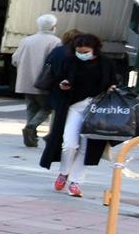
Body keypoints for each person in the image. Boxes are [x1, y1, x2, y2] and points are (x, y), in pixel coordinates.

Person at [40, 32, 115, 198]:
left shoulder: (106, 63)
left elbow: (112, 81)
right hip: (73, 106)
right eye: (79, 51)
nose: (81, 54)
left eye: (85, 51)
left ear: (95, 49)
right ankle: (64, 172)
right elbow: (58, 79)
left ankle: (75, 182)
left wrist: (111, 88)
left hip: (96, 108)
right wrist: (63, 84)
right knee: (69, 143)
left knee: (86, 146)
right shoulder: (69, 61)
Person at [12, 13, 63, 148]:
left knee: (31, 107)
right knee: (47, 107)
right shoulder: (55, 42)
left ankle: (31, 136)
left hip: (25, 80)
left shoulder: (26, 40)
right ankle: (31, 127)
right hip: (44, 82)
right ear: (53, 26)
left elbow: (15, 59)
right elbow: (56, 62)